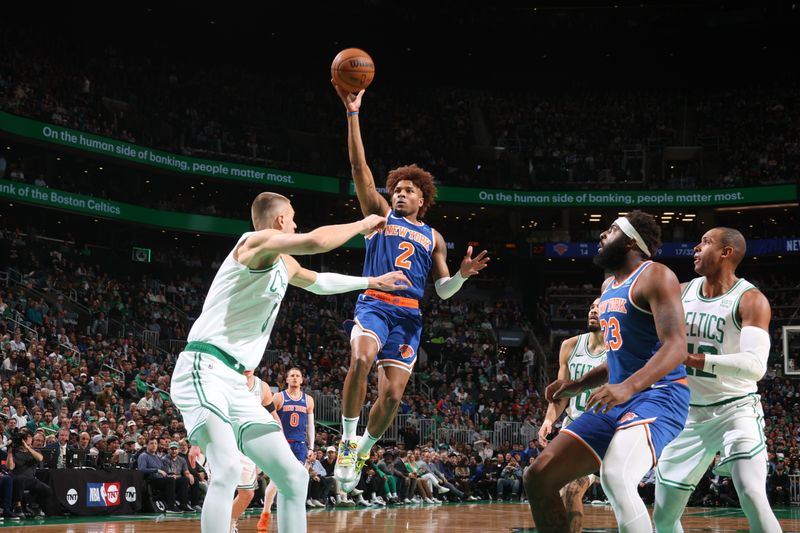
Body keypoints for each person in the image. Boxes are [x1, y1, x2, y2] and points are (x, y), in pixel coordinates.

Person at [170, 191, 409, 533]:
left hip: (238, 383)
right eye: (293, 218)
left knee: (294, 476)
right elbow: (314, 241)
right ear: (281, 220)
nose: (296, 224)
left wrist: (372, 282)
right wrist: (362, 224)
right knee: (225, 469)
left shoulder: (283, 262)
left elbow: (320, 282)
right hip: (203, 367)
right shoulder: (254, 242)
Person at [331, 81, 490, 493]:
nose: (398, 193)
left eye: (407, 190)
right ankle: (347, 441)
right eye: (396, 189)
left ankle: (365, 446)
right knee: (361, 360)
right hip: (375, 304)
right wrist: (353, 114)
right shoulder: (381, 216)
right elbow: (359, 171)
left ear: (422, 200)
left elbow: (443, 291)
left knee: (393, 396)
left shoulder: (434, 237)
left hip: (410, 315)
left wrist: (461, 275)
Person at [524, 210, 689, 533]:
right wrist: (575, 385)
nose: (602, 235)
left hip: (660, 396)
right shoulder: (608, 286)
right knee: (539, 475)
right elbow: (618, 358)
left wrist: (626, 387)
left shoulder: (656, 275)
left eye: (611, 230)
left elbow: (676, 347)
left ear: (630, 241)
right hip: (618, 400)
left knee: (615, 474)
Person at [653, 227, 781, 533]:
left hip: (735, 410)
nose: (696, 248)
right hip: (688, 414)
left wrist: (693, 359)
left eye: (706, 243)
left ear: (727, 252)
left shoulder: (750, 300)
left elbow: (754, 366)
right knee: (663, 515)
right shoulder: (681, 291)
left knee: (751, 493)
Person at [537, 298, 606, 533]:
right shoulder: (570, 345)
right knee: (553, 489)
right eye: (591, 307)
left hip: (603, 432)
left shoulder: (619, 349)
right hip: (573, 429)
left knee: (571, 490)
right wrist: (549, 420)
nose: (593, 310)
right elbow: (561, 392)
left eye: (600, 306)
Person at [257, 367, 315, 531]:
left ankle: (295, 513)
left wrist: (311, 446)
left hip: (300, 445)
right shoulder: (278, 397)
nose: (295, 378)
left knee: (298, 479)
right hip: (282, 443)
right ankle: (266, 513)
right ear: (287, 379)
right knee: (277, 481)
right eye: (292, 376)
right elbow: (267, 417)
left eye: (298, 375)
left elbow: (310, 425)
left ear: (302, 380)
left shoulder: (308, 400)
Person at [6, 429, 52, 517]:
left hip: (30, 479)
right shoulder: (15, 451)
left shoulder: (35, 451)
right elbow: (10, 467)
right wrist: (9, 453)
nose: (26, 439)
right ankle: (17, 507)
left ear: (31, 439)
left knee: (47, 490)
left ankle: (34, 506)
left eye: (28, 437)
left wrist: (28, 448)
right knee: (20, 479)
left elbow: (40, 459)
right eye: (25, 437)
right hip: (16, 477)